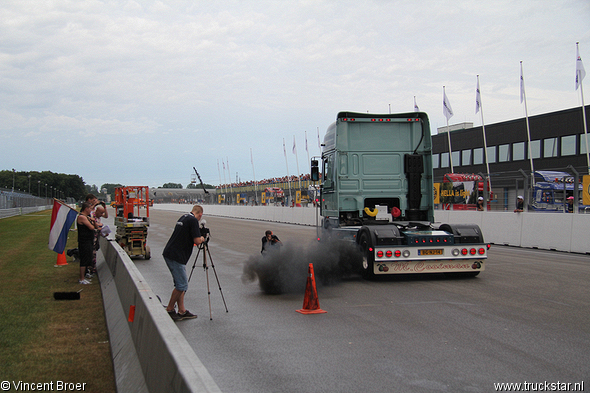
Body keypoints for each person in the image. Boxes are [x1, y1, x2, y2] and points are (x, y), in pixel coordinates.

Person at [162, 205, 205, 321]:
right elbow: (197, 241)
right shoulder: (193, 221)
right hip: (176, 256)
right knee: (182, 285)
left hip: (171, 253)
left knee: (180, 284)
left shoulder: (184, 217)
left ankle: (182, 310)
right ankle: (170, 309)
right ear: (200, 214)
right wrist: (202, 238)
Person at [77, 201, 99, 284]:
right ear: (86, 209)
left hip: (88, 241)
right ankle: (81, 279)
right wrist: (92, 221)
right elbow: (91, 227)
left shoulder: (86, 217)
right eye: (90, 209)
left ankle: (85, 275)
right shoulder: (82, 217)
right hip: (84, 241)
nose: (91, 210)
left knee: (88, 258)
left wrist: (92, 220)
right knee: (84, 259)